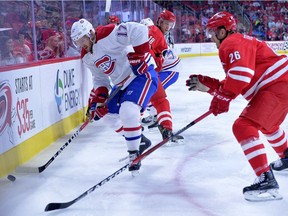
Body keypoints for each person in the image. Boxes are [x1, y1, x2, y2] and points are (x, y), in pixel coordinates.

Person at [186, 11, 288, 201]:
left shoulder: (231, 43)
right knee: (267, 124)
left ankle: (266, 180)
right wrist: (212, 88)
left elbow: (241, 75)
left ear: (222, 31)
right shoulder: (239, 42)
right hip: (280, 83)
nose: (211, 38)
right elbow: (238, 78)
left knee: (243, 126)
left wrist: (222, 97)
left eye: (212, 33)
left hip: (277, 85)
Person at [70, 18, 158, 176]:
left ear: (90, 33)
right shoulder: (86, 56)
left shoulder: (108, 33)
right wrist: (99, 99)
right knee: (107, 116)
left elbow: (140, 30)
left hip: (140, 74)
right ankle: (140, 139)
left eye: (82, 39)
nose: (81, 44)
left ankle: (134, 154)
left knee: (128, 111)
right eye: (77, 42)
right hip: (121, 84)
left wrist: (140, 55)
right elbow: (100, 79)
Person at [140, 10, 183, 145]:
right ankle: (162, 126)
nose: (168, 27)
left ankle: (162, 126)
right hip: (147, 71)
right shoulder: (153, 31)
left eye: (170, 25)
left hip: (161, 71)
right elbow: (144, 50)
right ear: (159, 21)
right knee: (155, 98)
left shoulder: (158, 34)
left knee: (158, 98)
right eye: (166, 24)